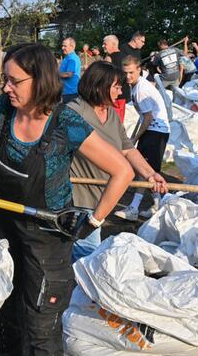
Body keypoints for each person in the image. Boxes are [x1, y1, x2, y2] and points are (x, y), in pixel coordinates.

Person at [0, 43, 134, 355]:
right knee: (7, 317)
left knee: (41, 327)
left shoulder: (65, 124)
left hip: (48, 237)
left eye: (13, 81)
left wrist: (94, 220)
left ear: (40, 80)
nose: (6, 88)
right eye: (4, 79)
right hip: (6, 229)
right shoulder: (2, 111)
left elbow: (122, 171)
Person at [69, 62, 168, 260]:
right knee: (86, 256)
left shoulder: (111, 114)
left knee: (81, 256)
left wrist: (150, 174)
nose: (120, 91)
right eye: (115, 86)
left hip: (101, 199)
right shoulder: (75, 112)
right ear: (98, 86)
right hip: (77, 200)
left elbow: (127, 149)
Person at [120, 55, 171, 221]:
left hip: (156, 131)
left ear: (139, 70)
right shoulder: (135, 86)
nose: (128, 76)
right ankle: (158, 205)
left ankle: (134, 208)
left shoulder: (141, 89)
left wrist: (135, 138)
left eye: (131, 73)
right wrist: (133, 137)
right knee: (148, 169)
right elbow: (143, 117)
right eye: (125, 73)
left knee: (144, 169)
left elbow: (148, 118)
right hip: (152, 129)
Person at [59, 38, 81, 103]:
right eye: (62, 46)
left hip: (70, 93)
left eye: (65, 46)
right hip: (67, 92)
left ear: (72, 46)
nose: (62, 48)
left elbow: (69, 74)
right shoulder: (68, 57)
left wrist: (52, 74)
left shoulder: (72, 58)